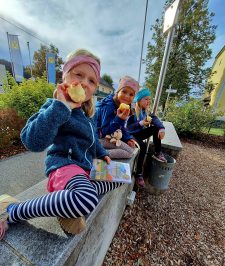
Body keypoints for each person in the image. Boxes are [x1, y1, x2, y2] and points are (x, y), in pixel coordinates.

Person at [0, 49, 123, 240]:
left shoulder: (87, 113)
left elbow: (91, 140)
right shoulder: (55, 106)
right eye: (78, 74)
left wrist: (101, 153)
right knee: (87, 199)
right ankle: (13, 210)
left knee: (119, 177)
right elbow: (31, 141)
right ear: (65, 75)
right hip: (63, 167)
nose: (84, 83)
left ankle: (68, 204)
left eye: (91, 81)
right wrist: (62, 106)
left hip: (84, 168)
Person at [126, 88, 167, 188]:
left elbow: (155, 119)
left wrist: (161, 128)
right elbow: (128, 127)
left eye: (149, 99)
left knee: (155, 129)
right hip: (130, 135)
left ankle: (158, 152)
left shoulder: (146, 111)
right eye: (146, 99)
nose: (148, 101)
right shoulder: (131, 111)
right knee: (143, 146)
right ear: (139, 100)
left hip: (140, 133)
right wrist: (140, 123)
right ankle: (139, 173)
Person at [95, 76, 139, 159]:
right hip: (98, 139)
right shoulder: (108, 107)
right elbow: (105, 131)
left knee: (131, 149)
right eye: (124, 92)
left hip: (109, 137)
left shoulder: (120, 106)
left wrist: (128, 139)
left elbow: (121, 127)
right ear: (118, 91)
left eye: (131, 94)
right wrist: (119, 119)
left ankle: (100, 152)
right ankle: (99, 153)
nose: (126, 96)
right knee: (129, 153)